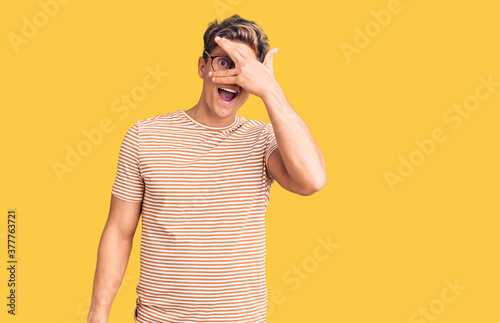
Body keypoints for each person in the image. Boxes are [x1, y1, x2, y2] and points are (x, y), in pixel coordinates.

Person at [87, 14, 326, 323]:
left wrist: (272, 91)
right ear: (202, 67)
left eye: (244, 68)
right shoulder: (145, 135)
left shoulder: (264, 140)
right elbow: (119, 231)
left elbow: (313, 180)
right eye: (224, 63)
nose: (232, 76)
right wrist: (98, 311)